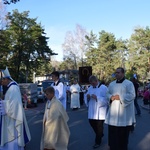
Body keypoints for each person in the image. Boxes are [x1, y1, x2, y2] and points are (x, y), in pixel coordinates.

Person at [105, 67, 136, 150]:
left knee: (123, 135)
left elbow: (132, 95)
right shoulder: (111, 84)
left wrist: (120, 97)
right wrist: (111, 97)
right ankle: (112, 147)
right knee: (113, 133)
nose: (116, 74)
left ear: (123, 73)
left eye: (118, 72)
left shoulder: (129, 84)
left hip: (124, 113)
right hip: (113, 113)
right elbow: (107, 93)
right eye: (116, 73)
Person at [0, 67, 31, 150]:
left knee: (12, 137)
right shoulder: (11, 88)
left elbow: (15, 105)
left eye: (2, 80)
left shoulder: (13, 88)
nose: (2, 83)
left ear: (6, 79)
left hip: (13, 119)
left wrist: (3, 103)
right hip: (10, 117)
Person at [85, 75, 108, 149]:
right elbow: (86, 96)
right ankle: (100, 134)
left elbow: (107, 99)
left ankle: (97, 142)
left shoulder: (103, 88)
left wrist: (97, 98)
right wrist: (87, 97)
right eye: (91, 83)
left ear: (97, 81)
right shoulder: (90, 88)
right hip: (92, 110)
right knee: (91, 123)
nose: (92, 85)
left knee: (99, 127)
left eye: (93, 83)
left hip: (100, 111)